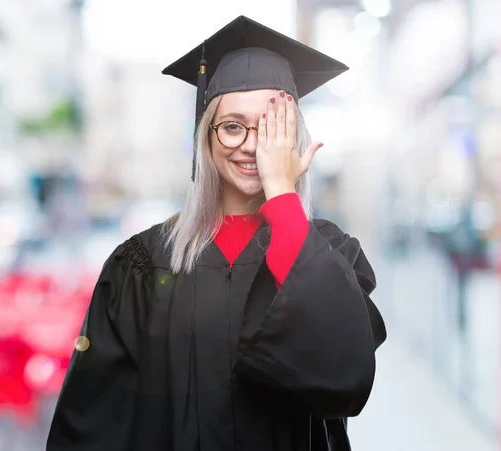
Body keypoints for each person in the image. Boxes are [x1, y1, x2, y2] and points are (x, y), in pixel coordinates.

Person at [46, 15, 387, 451]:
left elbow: (343, 376)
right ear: (204, 138)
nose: (249, 144)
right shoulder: (142, 263)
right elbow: (93, 416)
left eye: (270, 127)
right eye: (231, 126)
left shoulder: (330, 251)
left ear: (294, 138)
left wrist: (283, 196)